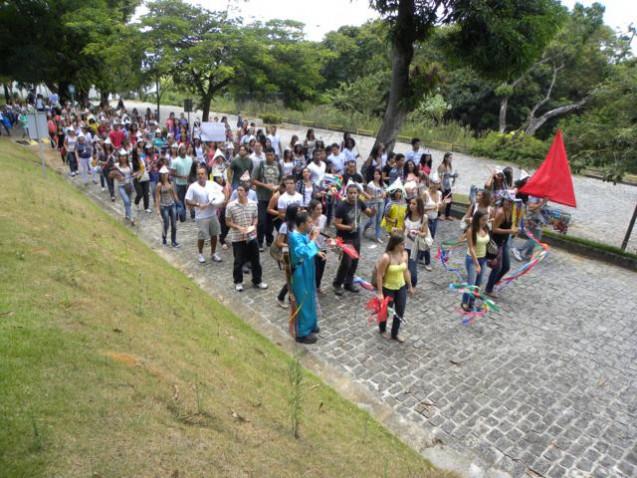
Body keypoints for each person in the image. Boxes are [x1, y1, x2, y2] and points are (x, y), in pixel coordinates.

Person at [288, 211, 326, 344]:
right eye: (309, 222)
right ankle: (302, 333)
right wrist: (314, 239)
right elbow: (302, 252)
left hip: (308, 269)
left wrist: (317, 252)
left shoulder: (303, 234)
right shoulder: (294, 236)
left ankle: (311, 324)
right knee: (303, 300)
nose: (312, 224)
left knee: (310, 296)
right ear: (302, 224)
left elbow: (308, 248)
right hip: (300, 271)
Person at [332, 184, 374, 296]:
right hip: (345, 238)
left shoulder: (359, 202)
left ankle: (348, 282)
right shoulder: (342, 206)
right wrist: (349, 227)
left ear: (358, 193)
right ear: (347, 193)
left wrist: (373, 210)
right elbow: (336, 224)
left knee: (354, 262)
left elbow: (369, 213)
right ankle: (337, 283)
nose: (353, 195)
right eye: (350, 193)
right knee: (346, 262)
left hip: (356, 236)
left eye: (355, 193)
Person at [226, 183, 268, 291]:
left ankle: (257, 280)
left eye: (241, 190)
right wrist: (238, 227)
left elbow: (255, 218)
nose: (238, 193)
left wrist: (253, 225)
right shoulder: (231, 206)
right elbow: (228, 222)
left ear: (247, 192)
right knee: (238, 261)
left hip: (251, 236)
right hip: (238, 237)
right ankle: (238, 281)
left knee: (255, 260)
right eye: (238, 190)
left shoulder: (253, 204)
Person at [375, 233, 413, 343]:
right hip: (388, 288)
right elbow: (379, 274)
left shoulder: (404, 254)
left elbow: (406, 271)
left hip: (401, 287)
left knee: (400, 310)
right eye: (402, 244)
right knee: (385, 311)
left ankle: (395, 333)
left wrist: (409, 285)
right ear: (395, 244)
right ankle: (382, 329)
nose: (404, 246)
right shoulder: (386, 257)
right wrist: (380, 293)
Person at [185, 166, 226, 264]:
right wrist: (198, 204)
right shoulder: (193, 187)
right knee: (202, 236)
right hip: (201, 216)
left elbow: (223, 190)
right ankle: (200, 254)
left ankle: (213, 253)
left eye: (202, 174)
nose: (200, 176)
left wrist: (223, 200)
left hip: (212, 214)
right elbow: (187, 200)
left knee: (214, 235)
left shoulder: (212, 184)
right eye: (198, 174)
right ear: (196, 176)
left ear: (206, 175)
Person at [485, 193, 519, 297]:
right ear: (503, 201)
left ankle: (494, 283)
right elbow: (494, 230)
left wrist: (514, 230)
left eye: (510, 201)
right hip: (496, 243)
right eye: (506, 200)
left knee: (506, 267)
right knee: (497, 267)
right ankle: (488, 289)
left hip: (503, 243)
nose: (508, 203)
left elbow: (510, 226)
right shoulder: (500, 212)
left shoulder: (510, 211)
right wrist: (510, 231)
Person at [253, 147, 282, 251]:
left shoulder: (278, 165)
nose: (269, 157)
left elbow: (281, 180)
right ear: (265, 155)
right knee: (261, 220)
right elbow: (253, 180)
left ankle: (269, 240)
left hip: (274, 198)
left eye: (271, 155)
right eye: (267, 155)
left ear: (274, 155)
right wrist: (265, 185)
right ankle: (259, 242)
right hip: (262, 198)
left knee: (271, 221)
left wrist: (277, 187)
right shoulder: (260, 165)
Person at [462, 210, 491, 311]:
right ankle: (465, 302)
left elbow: (487, 243)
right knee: (471, 283)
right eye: (483, 220)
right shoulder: (471, 230)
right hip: (472, 259)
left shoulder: (486, 228)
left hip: (483, 258)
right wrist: (477, 264)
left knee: (478, 283)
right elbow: (471, 248)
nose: (485, 222)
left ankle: (472, 303)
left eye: (487, 219)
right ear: (477, 219)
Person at [403, 197, 429, 288]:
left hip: (415, 247)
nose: (411, 205)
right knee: (404, 266)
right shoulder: (406, 214)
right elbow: (403, 229)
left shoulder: (423, 217)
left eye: (414, 204)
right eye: (410, 203)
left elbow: (425, 233)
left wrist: (418, 233)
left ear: (419, 205)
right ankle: (406, 285)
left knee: (412, 268)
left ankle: (413, 284)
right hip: (404, 245)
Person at [512, 195, 547, 261]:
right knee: (535, 239)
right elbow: (530, 207)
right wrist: (543, 202)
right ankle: (519, 250)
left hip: (538, 220)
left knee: (536, 238)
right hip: (533, 219)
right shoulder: (535, 195)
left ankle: (528, 254)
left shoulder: (542, 195)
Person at [108, 149, 135, 225]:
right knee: (126, 201)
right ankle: (131, 218)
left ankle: (127, 214)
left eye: (124, 156)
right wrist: (118, 177)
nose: (123, 158)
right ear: (119, 157)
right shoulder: (116, 165)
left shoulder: (130, 164)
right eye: (122, 156)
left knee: (129, 202)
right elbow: (110, 175)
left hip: (129, 185)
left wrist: (134, 175)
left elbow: (132, 173)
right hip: (121, 186)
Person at [155, 165, 180, 247]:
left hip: (172, 204)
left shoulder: (171, 183)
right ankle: (164, 238)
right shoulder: (159, 185)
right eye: (162, 174)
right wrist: (158, 209)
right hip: (163, 206)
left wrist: (179, 203)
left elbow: (174, 194)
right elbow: (157, 198)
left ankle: (173, 241)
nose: (164, 175)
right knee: (166, 224)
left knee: (174, 224)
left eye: (165, 174)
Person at [421, 179, 442, 270]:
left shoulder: (440, 194)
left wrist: (443, 205)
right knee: (427, 241)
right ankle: (427, 262)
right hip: (426, 220)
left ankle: (420, 255)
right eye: (434, 183)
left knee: (430, 240)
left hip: (435, 219)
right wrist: (432, 207)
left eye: (437, 184)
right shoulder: (425, 194)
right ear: (430, 183)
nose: (435, 186)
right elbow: (421, 209)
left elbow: (440, 209)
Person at [308, 199, 327, 293]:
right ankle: (311, 288)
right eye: (317, 209)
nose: (320, 211)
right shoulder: (307, 220)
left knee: (321, 269)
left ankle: (318, 286)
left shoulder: (323, 218)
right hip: (312, 248)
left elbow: (323, 232)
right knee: (313, 270)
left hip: (322, 247)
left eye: (321, 209)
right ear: (311, 210)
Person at [170, 144, 194, 221]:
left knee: (190, 199)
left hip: (189, 183)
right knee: (181, 200)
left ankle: (193, 215)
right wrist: (181, 176)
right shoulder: (175, 161)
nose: (184, 151)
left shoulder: (190, 159)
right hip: (180, 184)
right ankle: (182, 216)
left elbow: (192, 170)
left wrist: (190, 177)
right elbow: (172, 173)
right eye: (182, 149)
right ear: (179, 151)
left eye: (184, 149)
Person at [363, 169, 386, 243]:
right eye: (375, 174)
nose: (377, 176)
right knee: (372, 220)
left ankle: (377, 236)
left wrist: (384, 194)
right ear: (373, 175)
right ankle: (365, 228)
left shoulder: (382, 184)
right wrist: (372, 196)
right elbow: (368, 195)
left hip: (381, 202)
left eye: (378, 174)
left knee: (379, 220)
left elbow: (385, 192)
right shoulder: (370, 184)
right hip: (373, 203)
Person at [438, 152, 458, 220]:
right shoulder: (442, 166)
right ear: (446, 158)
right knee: (441, 200)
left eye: (451, 158)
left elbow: (448, 175)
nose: (451, 159)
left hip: (448, 185)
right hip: (442, 185)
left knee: (449, 200)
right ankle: (439, 214)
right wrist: (441, 186)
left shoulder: (449, 166)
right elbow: (440, 177)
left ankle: (447, 215)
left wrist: (454, 176)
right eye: (450, 158)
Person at [132, 148, 151, 213]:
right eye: (138, 151)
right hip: (137, 179)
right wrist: (136, 173)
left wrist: (148, 167)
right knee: (140, 194)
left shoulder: (142, 159)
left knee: (146, 193)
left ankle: (146, 207)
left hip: (145, 178)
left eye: (140, 151)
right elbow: (133, 172)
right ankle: (136, 202)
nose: (140, 152)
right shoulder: (133, 161)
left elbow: (145, 168)